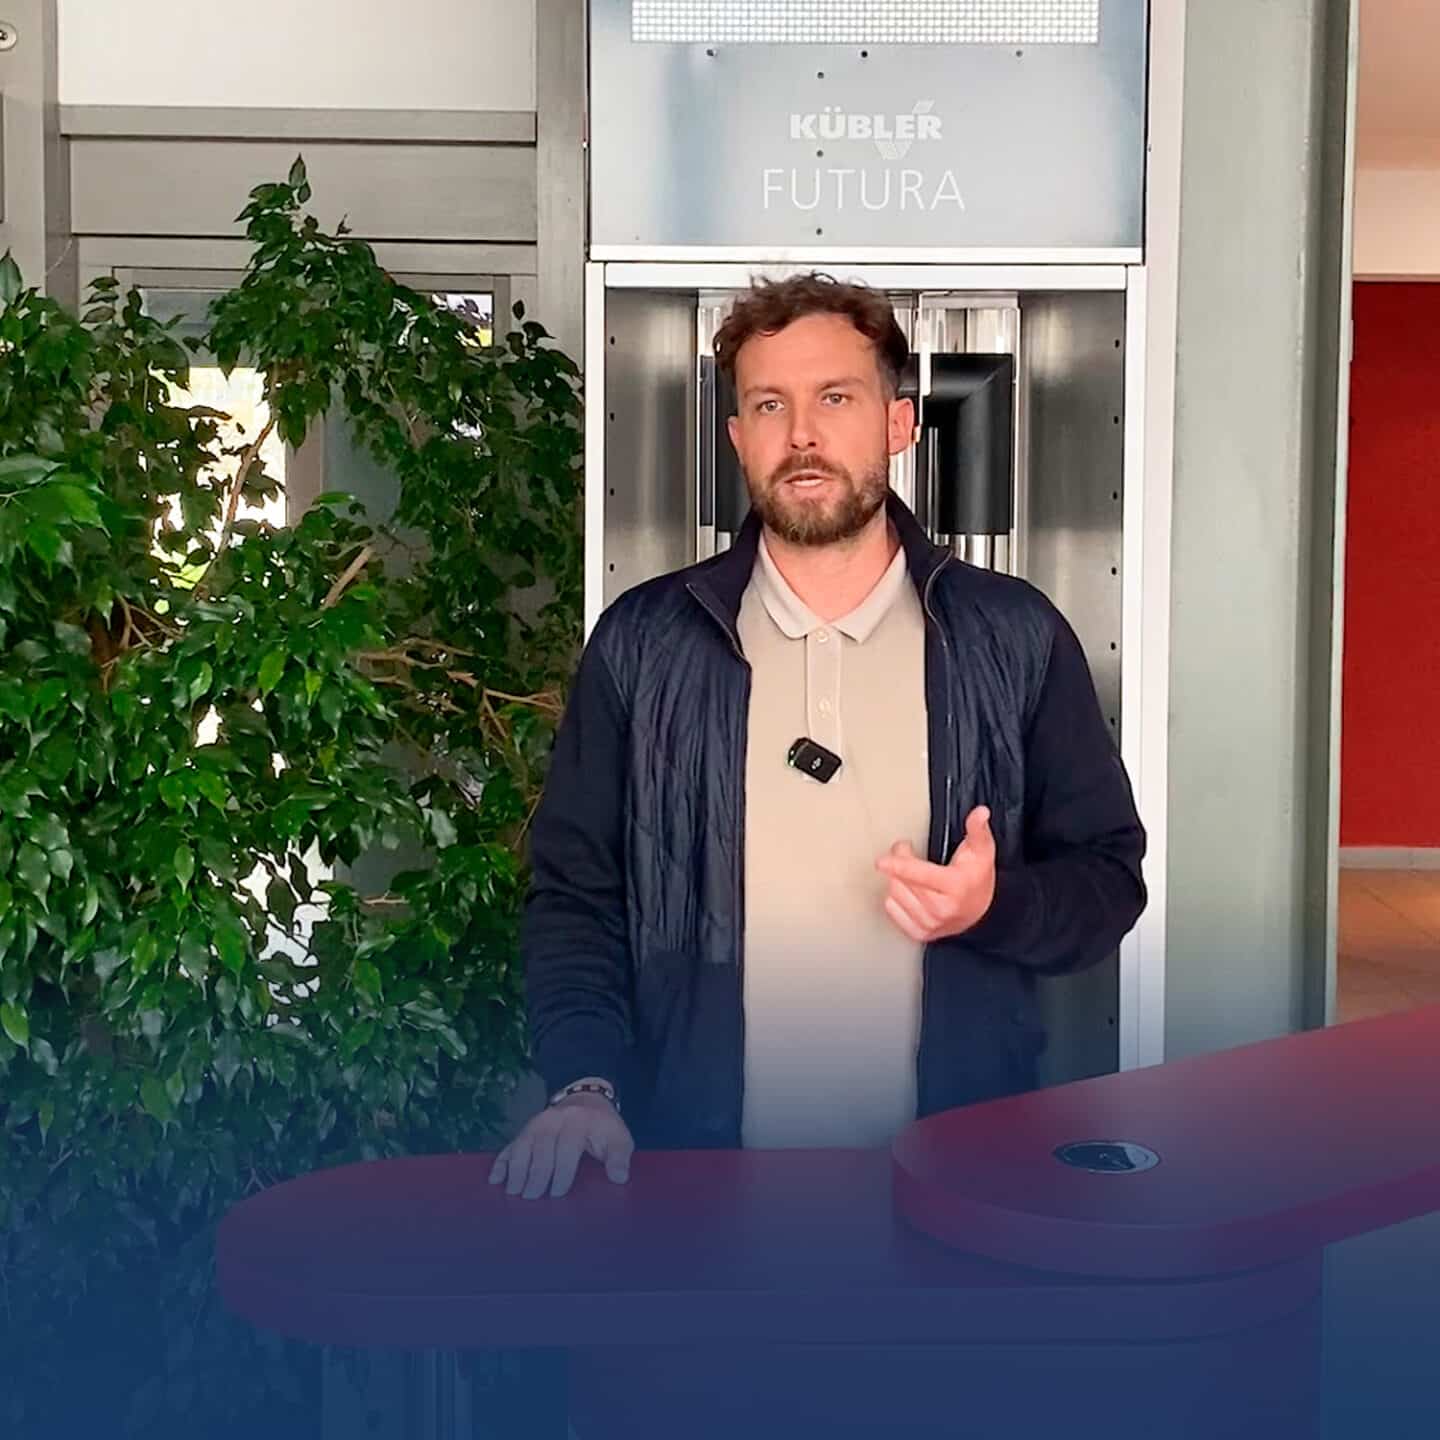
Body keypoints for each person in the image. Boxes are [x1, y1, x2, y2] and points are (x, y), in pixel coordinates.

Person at [489, 273, 1147, 1200]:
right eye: (769, 404)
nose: (801, 432)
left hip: (953, 1183)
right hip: (698, 1177)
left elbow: (1109, 880)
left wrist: (989, 908)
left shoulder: (1014, 637)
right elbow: (575, 894)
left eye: (835, 397)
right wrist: (586, 1084)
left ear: (900, 422)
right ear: (738, 439)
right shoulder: (644, 643)